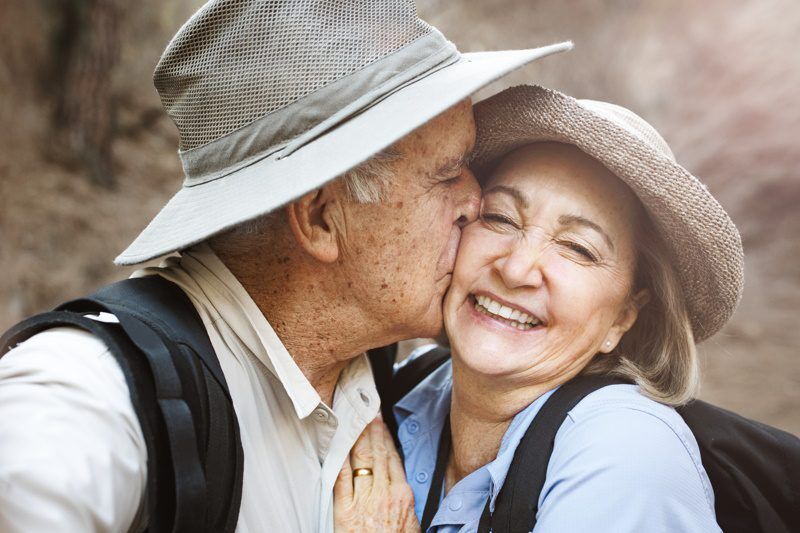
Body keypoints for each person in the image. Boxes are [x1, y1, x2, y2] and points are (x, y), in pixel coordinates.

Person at [0, 1, 572, 531]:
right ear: (322, 218)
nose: (477, 202)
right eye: (447, 174)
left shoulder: (372, 368)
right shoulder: (86, 395)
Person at [335, 85, 743, 531]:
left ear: (626, 315)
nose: (515, 270)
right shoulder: (411, 385)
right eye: (501, 218)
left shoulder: (627, 452)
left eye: (577, 248)